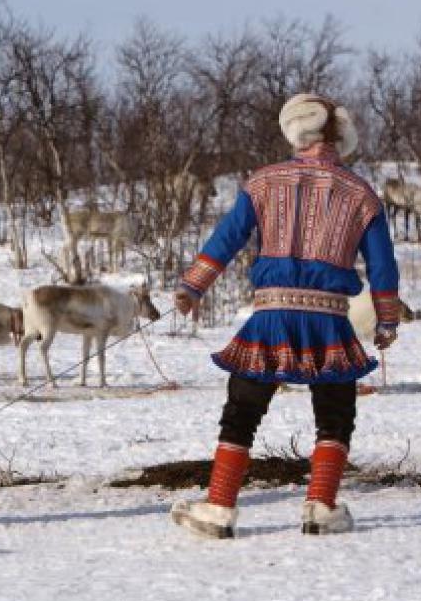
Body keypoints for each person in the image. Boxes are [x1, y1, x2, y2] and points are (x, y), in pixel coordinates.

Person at [170, 93, 402, 538]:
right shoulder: (362, 195)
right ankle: (321, 506)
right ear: (341, 138)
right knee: (335, 413)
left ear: (296, 131)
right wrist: (387, 319)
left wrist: (193, 286)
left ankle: (218, 507)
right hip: (329, 320)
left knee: (242, 408)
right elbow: (383, 264)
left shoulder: (263, 181)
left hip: (271, 315)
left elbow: (228, 237)